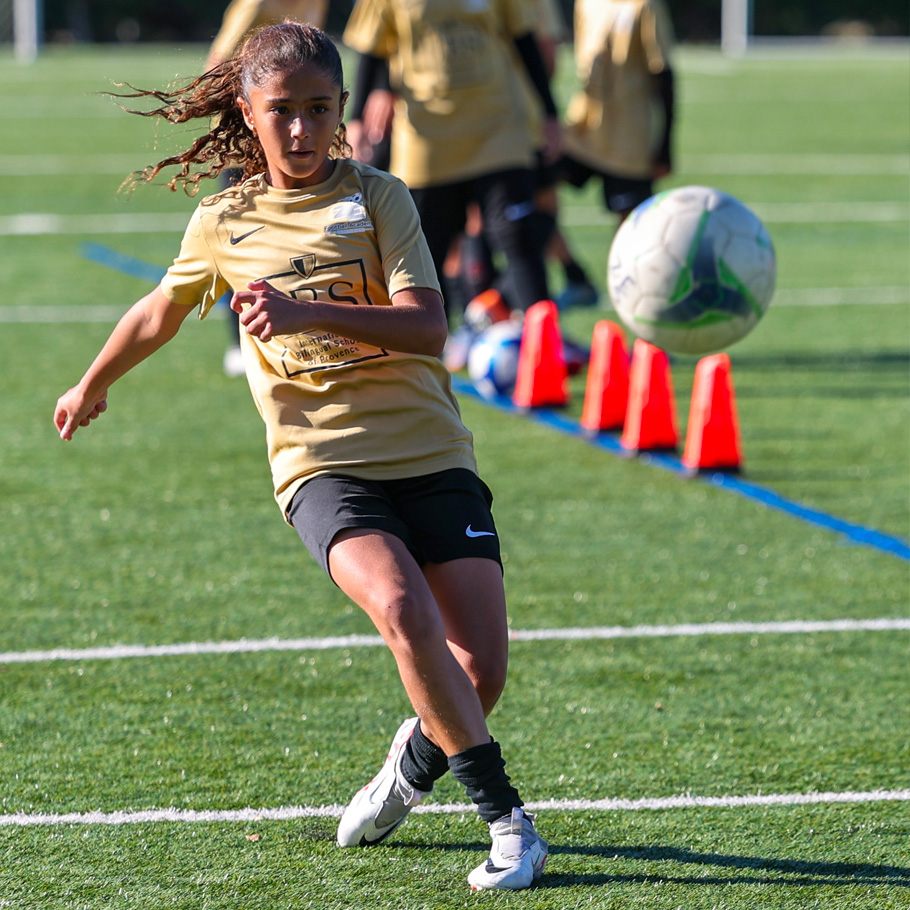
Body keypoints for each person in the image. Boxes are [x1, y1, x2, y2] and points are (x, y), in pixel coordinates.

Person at [53, 23, 547, 893]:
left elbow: (430, 327)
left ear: (343, 111)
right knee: (400, 606)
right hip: (322, 465)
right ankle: (508, 820)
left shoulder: (382, 198)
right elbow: (157, 313)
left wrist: (304, 313)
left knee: (480, 672)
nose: (301, 130)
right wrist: (94, 381)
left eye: (320, 110)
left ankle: (409, 769)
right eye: (281, 112)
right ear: (248, 113)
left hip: (432, 452)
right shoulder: (224, 220)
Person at [342, 0, 562, 324]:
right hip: (428, 140)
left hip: (497, 127)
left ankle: (544, 347)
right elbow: (372, 48)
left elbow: (523, 38)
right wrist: (359, 115)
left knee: (519, 236)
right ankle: (433, 357)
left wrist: (550, 113)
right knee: (425, 253)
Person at [206, 0, 330, 378]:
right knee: (237, 240)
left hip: (294, 130)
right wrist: (252, 119)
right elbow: (219, 61)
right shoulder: (257, 3)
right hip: (253, 138)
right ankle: (238, 341)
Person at [560, 0, 677, 227]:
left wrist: (665, 144)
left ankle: (623, 264)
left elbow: (663, 72)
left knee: (632, 223)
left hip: (628, 136)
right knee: (534, 186)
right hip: (583, 125)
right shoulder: (586, 3)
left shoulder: (644, 5)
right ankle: (568, 264)